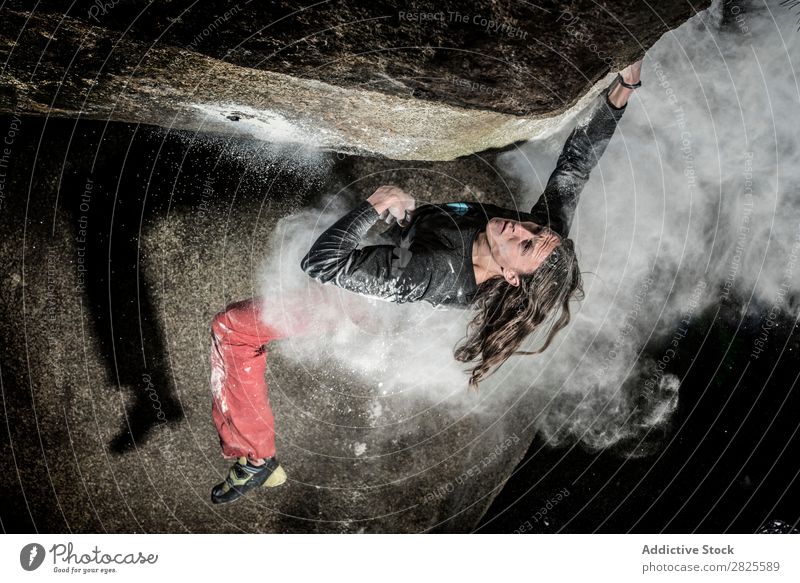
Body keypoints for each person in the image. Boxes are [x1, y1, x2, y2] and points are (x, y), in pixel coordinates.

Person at [208, 61, 643, 504]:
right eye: (536, 232)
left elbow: (321, 263)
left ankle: (257, 460)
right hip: (405, 264)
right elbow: (575, 167)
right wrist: (626, 85)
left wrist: (375, 207)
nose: (522, 229)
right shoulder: (535, 234)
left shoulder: (430, 275)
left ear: (511, 275)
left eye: (527, 245)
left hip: (368, 305)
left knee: (234, 329)